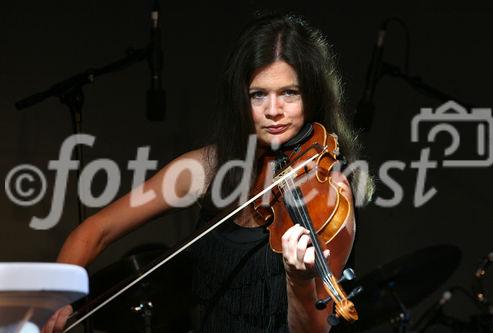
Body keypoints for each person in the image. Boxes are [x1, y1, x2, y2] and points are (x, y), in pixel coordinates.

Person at [43, 13, 372, 333]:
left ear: (312, 96)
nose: (274, 111)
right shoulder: (208, 168)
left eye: (290, 92)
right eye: (259, 94)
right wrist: (51, 300)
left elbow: (314, 331)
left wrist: (299, 283)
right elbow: (95, 230)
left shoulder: (331, 192)